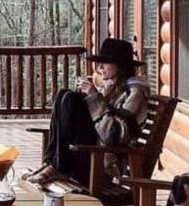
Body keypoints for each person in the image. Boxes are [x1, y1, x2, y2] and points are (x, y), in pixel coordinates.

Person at [21, 38, 150, 187]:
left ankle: (58, 166)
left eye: (105, 62)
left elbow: (113, 136)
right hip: (89, 155)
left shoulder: (134, 93)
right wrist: (87, 98)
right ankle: (52, 163)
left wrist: (93, 97)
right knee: (64, 94)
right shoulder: (111, 88)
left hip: (102, 164)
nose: (99, 67)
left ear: (121, 65)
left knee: (71, 98)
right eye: (99, 62)